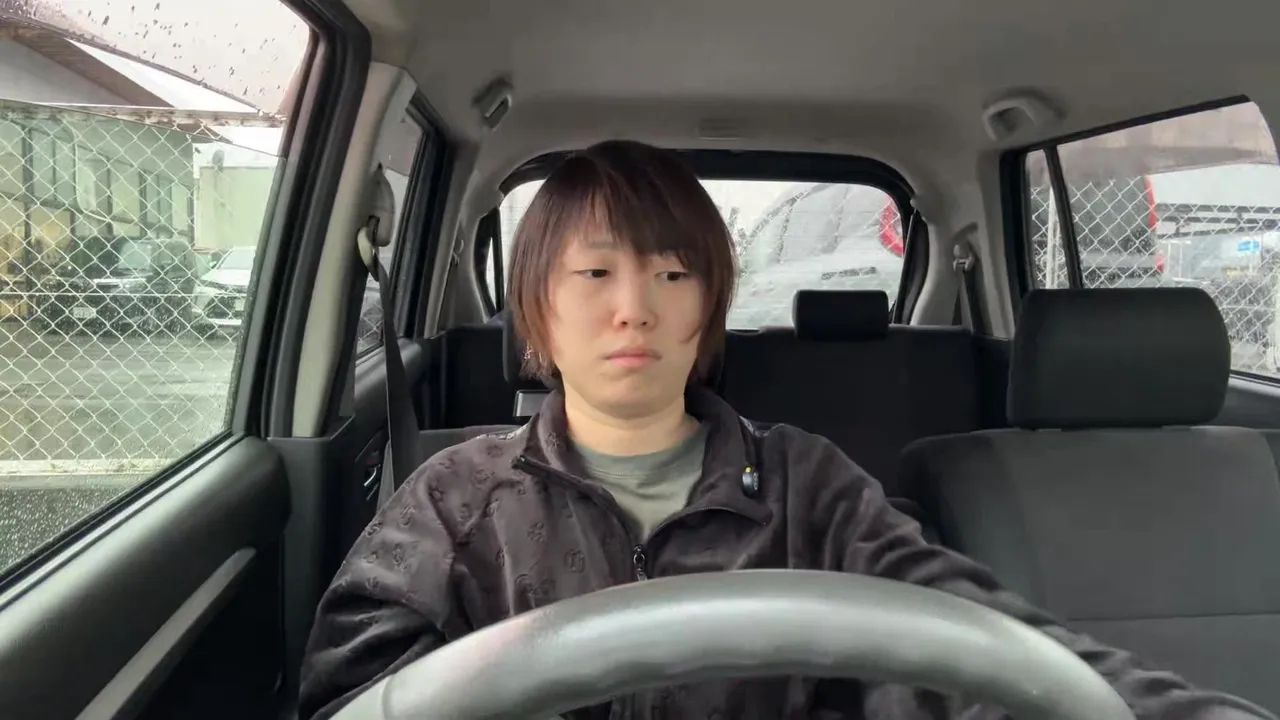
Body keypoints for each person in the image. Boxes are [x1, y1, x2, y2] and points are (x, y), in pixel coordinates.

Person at [297, 140, 1273, 720]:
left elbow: (978, 644)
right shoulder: (454, 498)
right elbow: (355, 694)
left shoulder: (810, 485)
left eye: (672, 273)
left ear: (708, 309)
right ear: (536, 314)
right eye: (593, 273)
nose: (634, 308)